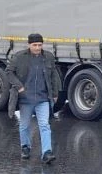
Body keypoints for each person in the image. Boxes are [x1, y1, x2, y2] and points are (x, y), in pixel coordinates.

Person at [5, 33, 61, 164]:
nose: (37, 48)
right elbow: (9, 72)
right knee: (24, 125)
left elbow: (53, 75)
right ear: (28, 45)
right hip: (26, 100)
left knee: (45, 125)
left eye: (40, 45)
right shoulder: (19, 57)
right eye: (34, 45)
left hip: (42, 98)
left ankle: (47, 152)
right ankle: (25, 147)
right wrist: (19, 86)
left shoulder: (48, 57)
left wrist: (55, 93)